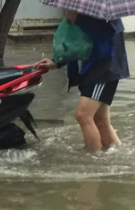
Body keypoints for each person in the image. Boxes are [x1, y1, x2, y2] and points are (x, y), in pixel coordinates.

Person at [33, 10, 129, 152]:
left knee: (83, 115)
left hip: (105, 67)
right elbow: (77, 41)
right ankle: (116, 158)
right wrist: (56, 62)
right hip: (91, 68)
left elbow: (108, 33)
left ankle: (94, 162)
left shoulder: (105, 5)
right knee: (101, 121)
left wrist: (78, 19)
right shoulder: (82, 4)